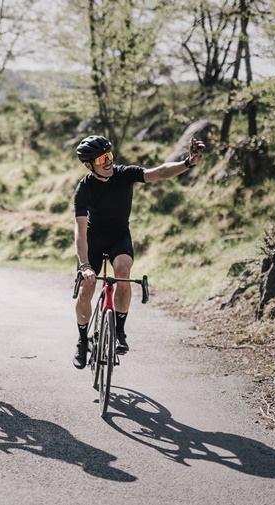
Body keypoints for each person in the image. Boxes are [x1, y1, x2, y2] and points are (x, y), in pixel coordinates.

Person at [72, 135, 206, 369]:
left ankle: (120, 331)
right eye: (102, 158)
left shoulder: (124, 174)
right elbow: (80, 232)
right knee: (87, 290)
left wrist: (188, 162)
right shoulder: (84, 189)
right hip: (93, 240)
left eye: (109, 155)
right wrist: (84, 265)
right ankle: (83, 341)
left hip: (119, 237)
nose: (108, 162)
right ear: (88, 165)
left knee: (123, 275)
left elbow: (161, 172)